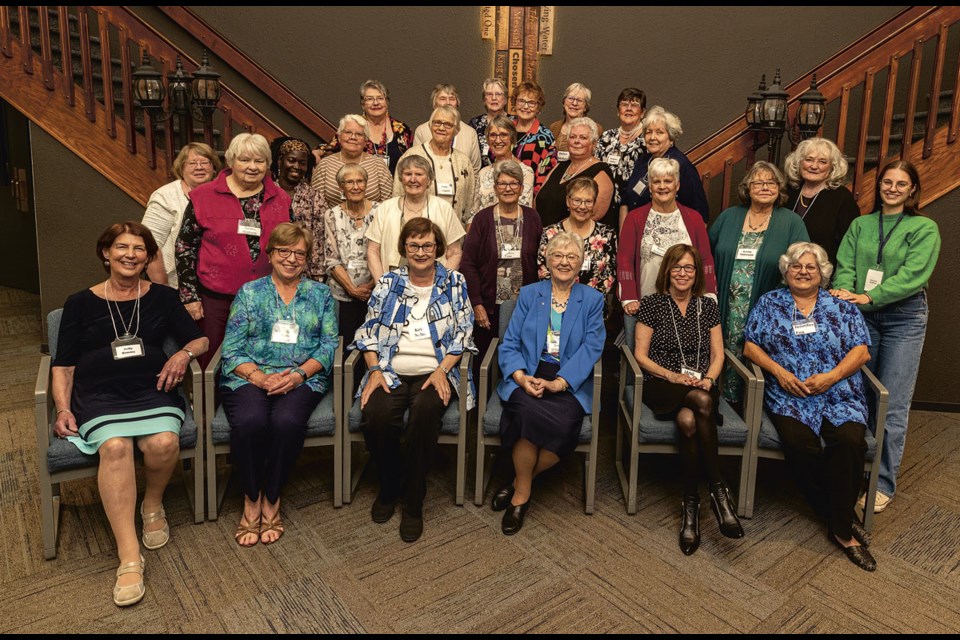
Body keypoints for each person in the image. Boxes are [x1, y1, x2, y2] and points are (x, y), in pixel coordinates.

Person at [52, 222, 208, 606]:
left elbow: (199, 338)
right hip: (100, 394)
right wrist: (62, 407)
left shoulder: (163, 297)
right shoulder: (80, 303)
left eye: (140, 249)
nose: (130, 255)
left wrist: (182, 354)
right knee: (116, 447)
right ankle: (129, 556)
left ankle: (152, 503)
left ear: (148, 257)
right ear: (106, 253)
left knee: (164, 442)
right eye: (122, 247)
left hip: (153, 389)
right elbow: (64, 364)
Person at [744, 242, 875, 571]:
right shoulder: (769, 303)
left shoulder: (841, 306)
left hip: (838, 392)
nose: (803, 272)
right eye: (796, 267)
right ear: (786, 271)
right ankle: (841, 518)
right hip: (790, 394)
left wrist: (832, 377)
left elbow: (861, 352)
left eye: (810, 267)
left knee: (849, 442)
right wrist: (779, 372)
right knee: (799, 445)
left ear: (822, 273)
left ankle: (841, 528)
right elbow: (750, 347)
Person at [352, 219, 477, 543]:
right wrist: (375, 370)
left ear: (438, 248)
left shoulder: (454, 282)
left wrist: (442, 370)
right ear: (404, 248)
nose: (421, 252)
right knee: (376, 417)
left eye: (427, 245)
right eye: (414, 245)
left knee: (424, 414)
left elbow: (464, 333)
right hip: (390, 369)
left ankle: (413, 500)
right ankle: (390, 484)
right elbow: (367, 332)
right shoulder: (389, 282)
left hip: (435, 370)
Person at [832, 160, 941, 514]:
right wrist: (846, 293)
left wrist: (868, 296)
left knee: (891, 402)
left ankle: (882, 482)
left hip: (903, 318)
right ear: (879, 186)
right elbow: (845, 263)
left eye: (901, 184)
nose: (892, 188)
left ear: (912, 190)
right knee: (860, 396)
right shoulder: (861, 224)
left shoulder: (923, 228)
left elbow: (913, 275)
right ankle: (854, 471)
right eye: (887, 182)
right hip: (862, 315)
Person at [220, 223, 338, 547]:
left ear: (307, 259)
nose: (291, 259)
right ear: (270, 254)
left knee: (286, 423)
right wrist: (259, 377)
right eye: (284, 251)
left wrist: (298, 375)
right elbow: (230, 347)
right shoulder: (250, 293)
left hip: (301, 377)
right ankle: (250, 497)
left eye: (299, 253)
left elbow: (328, 345)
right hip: (248, 374)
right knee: (250, 422)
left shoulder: (321, 295)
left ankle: (272, 497)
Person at [493, 231, 605, 535]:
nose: (564, 262)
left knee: (566, 423)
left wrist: (561, 382)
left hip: (569, 376)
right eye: (558, 256)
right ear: (547, 260)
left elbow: (593, 347)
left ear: (581, 263)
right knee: (526, 412)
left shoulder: (592, 300)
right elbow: (510, 343)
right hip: (529, 371)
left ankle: (518, 481)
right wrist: (519, 376)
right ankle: (521, 497)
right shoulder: (530, 294)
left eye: (571, 257)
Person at [634, 244, 743, 554]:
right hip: (662, 383)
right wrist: (673, 376)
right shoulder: (653, 303)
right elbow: (641, 355)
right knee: (703, 403)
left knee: (688, 419)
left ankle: (690, 506)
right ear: (667, 271)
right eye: (677, 267)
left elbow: (719, 355)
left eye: (689, 268)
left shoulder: (706, 306)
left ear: (697, 274)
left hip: (700, 382)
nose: (683, 273)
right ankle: (719, 491)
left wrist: (708, 378)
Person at [176, 133, 291, 368]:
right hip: (216, 300)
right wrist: (190, 296)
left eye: (259, 161)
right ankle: (209, 405)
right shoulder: (203, 196)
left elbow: (292, 246)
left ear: (268, 165)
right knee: (212, 362)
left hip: (267, 299)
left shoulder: (281, 199)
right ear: (231, 162)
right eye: (244, 160)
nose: (252, 167)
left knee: (263, 360)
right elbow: (185, 246)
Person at [709, 161, 809, 402]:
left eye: (771, 182)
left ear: (779, 188)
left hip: (767, 308)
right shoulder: (728, 217)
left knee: (756, 356)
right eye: (758, 182)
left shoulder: (791, 222)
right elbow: (707, 257)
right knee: (720, 351)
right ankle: (720, 407)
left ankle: (750, 413)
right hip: (725, 305)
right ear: (747, 188)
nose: (765, 187)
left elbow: (803, 266)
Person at [618, 157, 717, 350]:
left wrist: (709, 294)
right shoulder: (634, 218)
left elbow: (705, 259)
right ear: (651, 186)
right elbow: (624, 259)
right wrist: (629, 297)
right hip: (642, 303)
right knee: (637, 361)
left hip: (685, 305)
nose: (662, 186)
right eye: (656, 181)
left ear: (677, 185)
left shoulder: (694, 218)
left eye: (668, 181)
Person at [460, 159, 543, 370]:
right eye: (503, 184)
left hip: (524, 305)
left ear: (522, 188)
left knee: (521, 360)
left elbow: (540, 262)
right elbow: (468, 264)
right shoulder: (482, 219)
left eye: (514, 183)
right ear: (495, 189)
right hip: (489, 307)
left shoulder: (533, 218)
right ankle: (484, 403)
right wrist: (477, 304)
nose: (508, 188)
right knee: (486, 364)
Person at [366, 155, 465, 281]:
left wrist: (441, 283)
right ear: (401, 179)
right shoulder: (385, 208)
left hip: (434, 284)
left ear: (429, 180)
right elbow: (373, 251)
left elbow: (455, 252)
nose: (413, 179)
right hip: (392, 283)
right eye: (408, 174)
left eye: (419, 174)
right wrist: (383, 285)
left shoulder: (443, 208)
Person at [142, 142, 220, 288]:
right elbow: (149, 244)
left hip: (213, 285)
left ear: (213, 167)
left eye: (205, 162)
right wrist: (162, 287)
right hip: (173, 285)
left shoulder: (223, 195)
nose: (199, 167)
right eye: (192, 163)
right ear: (181, 168)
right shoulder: (165, 196)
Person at [620, 106, 709, 226]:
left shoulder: (680, 165)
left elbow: (700, 213)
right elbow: (626, 199)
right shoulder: (643, 161)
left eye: (659, 132)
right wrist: (625, 233)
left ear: (671, 137)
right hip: (635, 230)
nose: (652, 137)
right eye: (648, 132)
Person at [395, 105, 477, 227]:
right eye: (437, 123)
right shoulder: (411, 156)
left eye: (448, 124)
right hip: (418, 233)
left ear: (456, 130)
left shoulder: (463, 161)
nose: (441, 128)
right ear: (430, 126)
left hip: (454, 230)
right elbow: (397, 196)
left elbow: (470, 201)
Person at [324, 163, 379, 341]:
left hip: (376, 293)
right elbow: (331, 259)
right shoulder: (331, 215)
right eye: (349, 182)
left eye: (360, 181)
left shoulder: (381, 211)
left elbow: (387, 254)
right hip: (342, 295)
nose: (355, 187)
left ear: (366, 183)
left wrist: (370, 286)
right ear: (341, 186)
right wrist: (351, 289)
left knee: (372, 344)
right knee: (345, 345)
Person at [538, 177, 617, 302]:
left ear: (594, 203)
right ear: (568, 202)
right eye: (577, 200)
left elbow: (609, 275)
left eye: (588, 201)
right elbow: (543, 272)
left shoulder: (607, 235)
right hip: (555, 305)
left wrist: (586, 303)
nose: (582, 206)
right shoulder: (550, 234)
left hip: (593, 307)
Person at [784, 137, 860, 264]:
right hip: (784, 267)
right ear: (799, 162)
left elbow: (849, 246)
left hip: (821, 271)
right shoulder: (787, 192)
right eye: (809, 159)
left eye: (822, 162)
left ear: (832, 167)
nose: (814, 166)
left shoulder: (842, 198)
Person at [318, 80, 413, 174]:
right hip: (357, 185)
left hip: (394, 186)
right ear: (363, 104)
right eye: (370, 99)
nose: (376, 103)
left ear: (387, 102)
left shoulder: (402, 130)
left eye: (380, 98)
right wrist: (318, 152)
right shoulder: (353, 127)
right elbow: (332, 147)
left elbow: (413, 159)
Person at [535, 117, 616, 227]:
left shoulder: (601, 171)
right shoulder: (560, 166)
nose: (577, 141)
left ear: (594, 144)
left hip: (574, 240)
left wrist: (556, 233)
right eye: (572, 137)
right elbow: (537, 200)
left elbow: (594, 214)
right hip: (544, 237)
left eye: (583, 138)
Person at [270, 137, 329, 282]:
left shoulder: (315, 198)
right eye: (291, 160)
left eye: (302, 163)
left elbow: (320, 240)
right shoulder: (267, 193)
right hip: (270, 272)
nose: (297, 166)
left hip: (305, 275)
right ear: (280, 161)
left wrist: (317, 277)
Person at [311, 115, 393, 208]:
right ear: (339, 137)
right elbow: (316, 203)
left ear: (366, 140)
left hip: (373, 221)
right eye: (348, 132)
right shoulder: (325, 164)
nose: (353, 137)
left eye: (359, 134)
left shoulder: (378, 164)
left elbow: (388, 204)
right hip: (332, 220)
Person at [470, 116, 535, 222]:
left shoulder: (525, 172)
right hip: (482, 233)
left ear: (512, 138)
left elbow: (523, 211)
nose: (497, 140)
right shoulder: (483, 173)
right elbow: (473, 214)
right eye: (493, 135)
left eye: (503, 135)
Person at [412, 83, 482, 173]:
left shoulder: (470, 133)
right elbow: (415, 164)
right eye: (443, 98)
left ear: (457, 104)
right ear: (434, 104)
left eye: (452, 99)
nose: (448, 102)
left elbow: (475, 170)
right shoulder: (422, 131)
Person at [595, 88, 647, 202]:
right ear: (618, 111)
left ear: (642, 112)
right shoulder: (606, 137)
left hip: (635, 203)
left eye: (634, 105)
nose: (629, 108)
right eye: (624, 104)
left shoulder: (648, 140)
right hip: (604, 202)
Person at [511, 81, 557, 194]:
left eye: (531, 103)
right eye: (521, 101)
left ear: (538, 108)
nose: (525, 107)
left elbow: (545, 173)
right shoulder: (504, 129)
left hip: (529, 195)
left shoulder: (545, 136)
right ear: (514, 103)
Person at [548, 82, 604, 159]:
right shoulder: (554, 127)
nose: (574, 103)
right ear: (564, 102)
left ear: (585, 107)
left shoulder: (595, 128)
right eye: (570, 98)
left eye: (579, 100)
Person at [468, 77, 509, 167]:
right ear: (484, 100)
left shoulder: (514, 122)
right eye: (489, 94)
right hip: (481, 176)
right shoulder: (474, 123)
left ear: (505, 100)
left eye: (498, 94)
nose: (494, 98)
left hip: (509, 175)